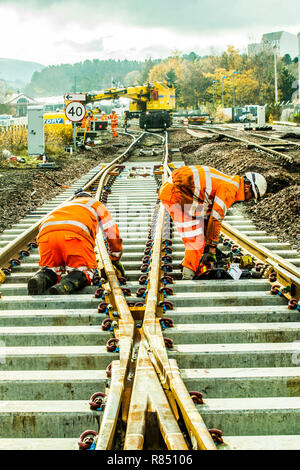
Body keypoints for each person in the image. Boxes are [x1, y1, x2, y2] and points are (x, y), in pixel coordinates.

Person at [158, 165, 267, 280]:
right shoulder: (230, 189)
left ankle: (192, 263)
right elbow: (215, 219)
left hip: (184, 192)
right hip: (176, 193)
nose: (248, 200)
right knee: (196, 240)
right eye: (251, 196)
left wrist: (209, 242)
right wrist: (212, 248)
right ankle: (188, 277)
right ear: (247, 187)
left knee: (201, 232)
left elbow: (209, 217)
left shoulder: (230, 183)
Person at [28, 189, 123, 295]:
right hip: (74, 237)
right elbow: (112, 233)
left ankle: (39, 279)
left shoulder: (66, 205)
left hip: (46, 237)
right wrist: (115, 257)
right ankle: (65, 286)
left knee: (51, 269)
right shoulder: (96, 204)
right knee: (83, 271)